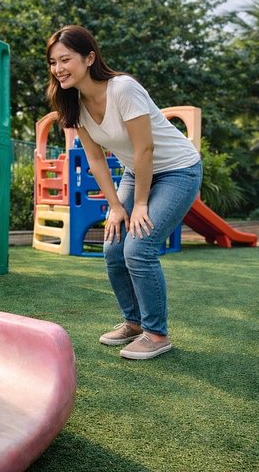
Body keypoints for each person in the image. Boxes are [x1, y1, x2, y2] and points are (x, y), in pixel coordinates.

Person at [45, 25, 202, 360]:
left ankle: (157, 334)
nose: (58, 68)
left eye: (65, 59)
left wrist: (140, 204)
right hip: (135, 172)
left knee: (139, 246)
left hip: (178, 170)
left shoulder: (123, 89)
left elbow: (145, 148)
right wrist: (116, 206)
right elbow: (95, 159)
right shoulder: (74, 104)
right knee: (114, 246)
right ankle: (134, 323)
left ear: (89, 58)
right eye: (53, 62)